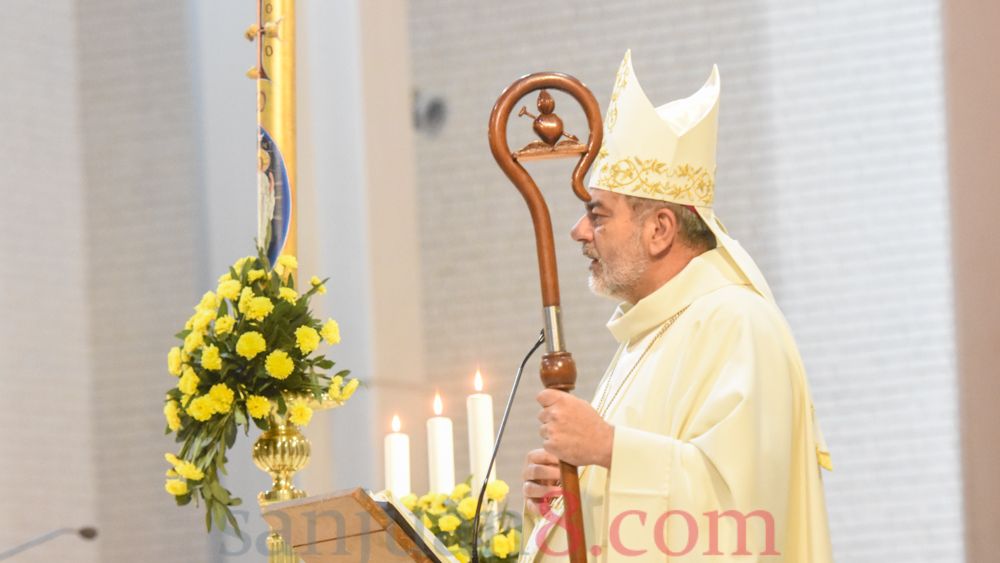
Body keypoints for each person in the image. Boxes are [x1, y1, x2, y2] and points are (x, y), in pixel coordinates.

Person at [518, 51, 833, 562]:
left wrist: (606, 448)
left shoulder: (739, 324)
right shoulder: (651, 334)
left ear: (660, 229)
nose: (578, 232)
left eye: (598, 215)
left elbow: (742, 511)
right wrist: (565, 495)